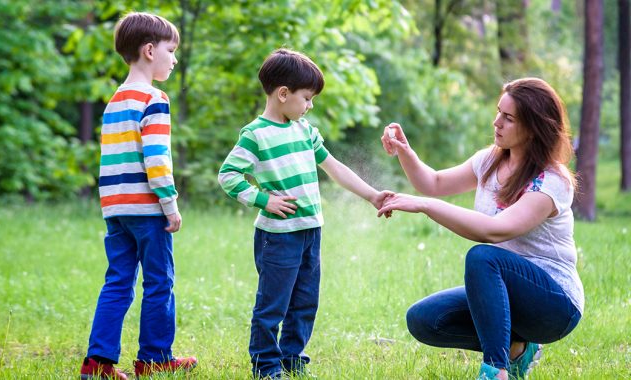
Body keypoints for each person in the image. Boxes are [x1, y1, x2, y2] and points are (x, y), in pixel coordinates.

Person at [377, 78, 583, 380]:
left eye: (508, 118)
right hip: (508, 292)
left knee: (483, 257)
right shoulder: (489, 161)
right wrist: (405, 150)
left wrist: (424, 206)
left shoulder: (551, 181)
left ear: (533, 127)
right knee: (424, 319)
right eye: (499, 112)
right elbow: (433, 183)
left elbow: (495, 231)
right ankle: (518, 351)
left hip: (554, 304)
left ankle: (495, 370)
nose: (496, 122)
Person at [218, 48, 392, 379]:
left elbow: (335, 168)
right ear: (283, 94)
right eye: (307, 98)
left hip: (311, 230)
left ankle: (292, 358)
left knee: (305, 302)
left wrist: (372, 195)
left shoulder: (305, 131)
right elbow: (228, 176)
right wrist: (262, 200)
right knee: (273, 306)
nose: (309, 105)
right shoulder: (255, 135)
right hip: (278, 237)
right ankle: (266, 366)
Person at [80, 12, 196, 380]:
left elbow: (113, 158)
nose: (174, 58)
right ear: (149, 50)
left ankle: (97, 363)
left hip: (116, 209)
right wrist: (170, 205)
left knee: (117, 281)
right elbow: (157, 159)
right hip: (147, 210)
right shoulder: (154, 98)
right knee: (159, 282)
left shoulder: (114, 101)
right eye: (170, 50)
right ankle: (155, 357)